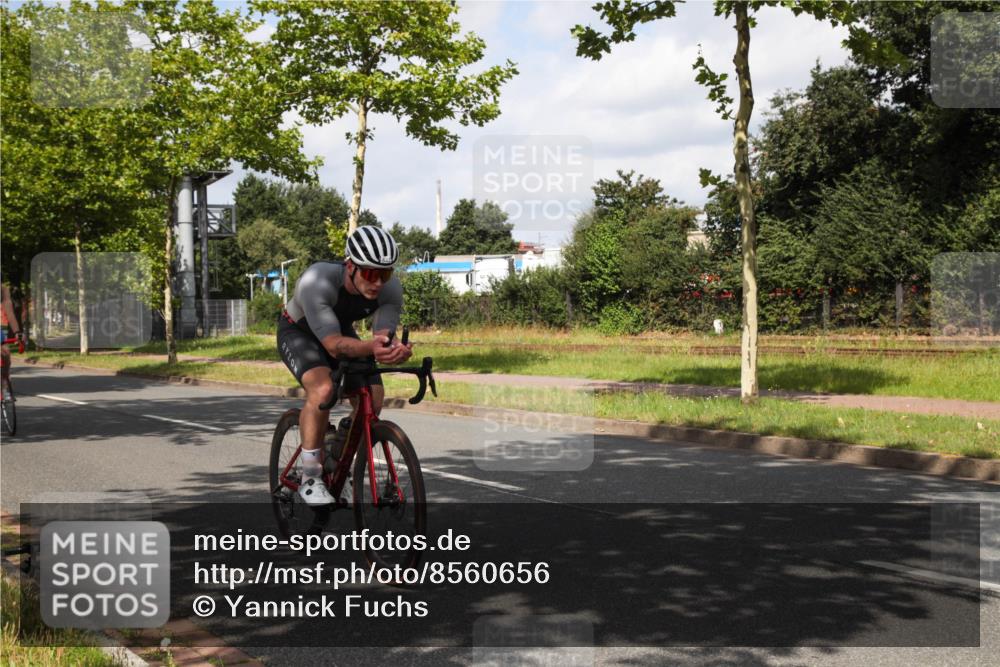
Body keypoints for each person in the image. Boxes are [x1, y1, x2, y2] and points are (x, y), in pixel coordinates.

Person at [277, 226, 412, 505]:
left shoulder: (390, 289)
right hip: (299, 333)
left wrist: (393, 349)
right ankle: (311, 477)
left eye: (385, 274)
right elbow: (332, 346)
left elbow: (381, 338)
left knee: (373, 397)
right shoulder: (318, 280)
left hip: (339, 332)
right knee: (324, 389)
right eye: (371, 273)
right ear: (350, 266)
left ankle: (338, 458)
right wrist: (373, 348)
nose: (378, 282)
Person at [1, 283, 23, 386]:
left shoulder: (3, 289)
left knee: (5, 352)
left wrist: (17, 333)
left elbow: (10, 314)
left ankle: (5, 382)